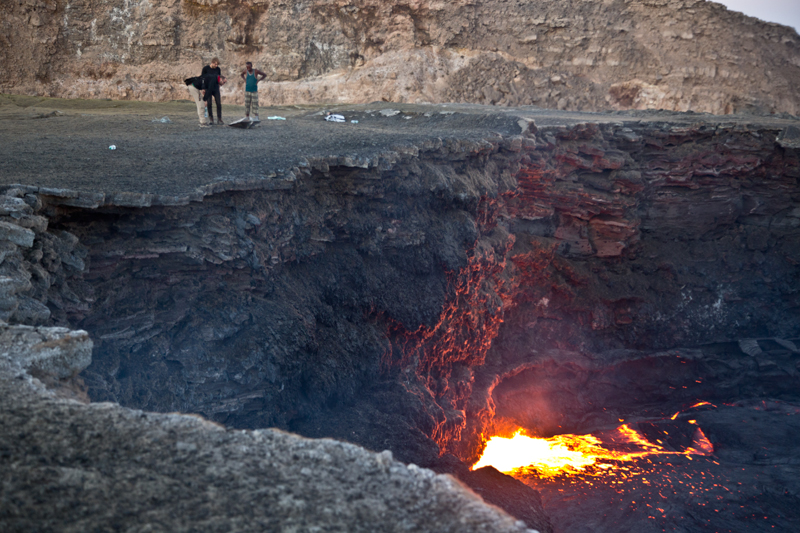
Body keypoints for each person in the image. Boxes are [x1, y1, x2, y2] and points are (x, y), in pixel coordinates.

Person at [202, 58, 224, 125]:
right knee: (209, 103)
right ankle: (211, 119)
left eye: (217, 64)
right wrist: (203, 88)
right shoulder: (205, 69)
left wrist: (219, 86)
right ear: (212, 62)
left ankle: (219, 119)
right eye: (215, 64)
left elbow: (219, 78)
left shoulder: (218, 69)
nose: (216, 65)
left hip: (216, 88)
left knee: (218, 103)